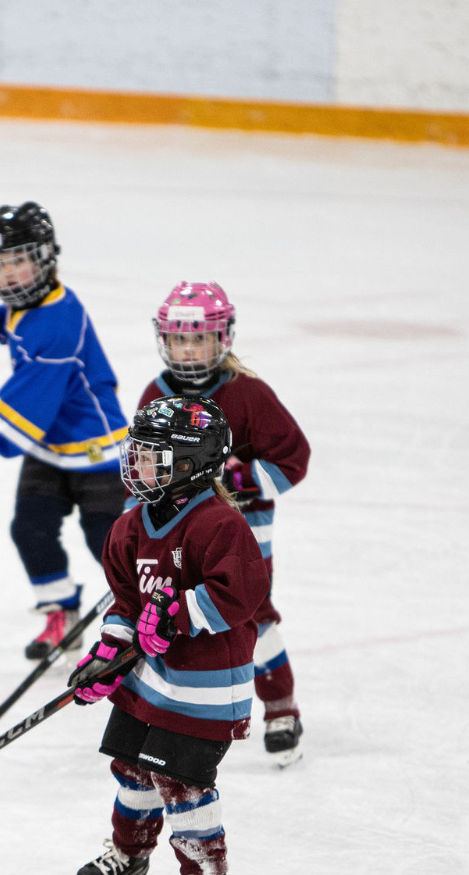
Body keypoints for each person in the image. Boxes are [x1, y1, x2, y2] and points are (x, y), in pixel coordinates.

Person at [66, 395, 270, 875]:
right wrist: (109, 652)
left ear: (190, 463)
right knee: (132, 770)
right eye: (135, 454)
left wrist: (178, 613)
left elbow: (241, 593)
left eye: (150, 458)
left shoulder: (219, 525)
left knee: (180, 780)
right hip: (147, 681)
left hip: (204, 687)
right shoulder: (130, 526)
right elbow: (126, 604)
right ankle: (129, 856)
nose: (135, 466)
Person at [0, 203, 129, 659]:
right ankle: (61, 612)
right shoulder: (28, 306)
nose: (8, 274)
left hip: (98, 452)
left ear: (45, 259)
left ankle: (146, 615)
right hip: (49, 447)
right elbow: (21, 325)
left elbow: (27, 403)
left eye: (18, 261)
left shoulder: (59, 324)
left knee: (109, 542)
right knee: (30, 529)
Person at [134, 282, 312, 766]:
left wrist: (239, 478)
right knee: (173, 613)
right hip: (178, 531)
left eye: (199, 338)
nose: (189, 350)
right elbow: (143, 465)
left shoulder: (248, 394)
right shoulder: (156, 395)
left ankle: (281, 707)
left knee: (251, 612)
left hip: (243, 527)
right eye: (179, 339)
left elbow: (292, 460)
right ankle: (175, 710)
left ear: (223, 337)